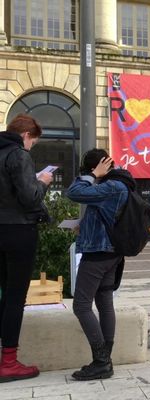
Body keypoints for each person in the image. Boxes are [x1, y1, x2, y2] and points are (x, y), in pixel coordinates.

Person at [66, 149, 132, 380]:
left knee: (81, 306)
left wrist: (93, 174)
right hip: (110, 252)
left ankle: (102, 360)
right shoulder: (118, 184)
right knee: (104, 302)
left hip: (99, 253)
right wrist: (83, 224)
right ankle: (105, 359)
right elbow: (102, 212)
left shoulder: (112, 186)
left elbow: (74, 192)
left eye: (88, 169)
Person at [0, 114, 52, 382]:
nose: (32, 147)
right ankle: (8, 361)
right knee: (14, 297)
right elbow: (30, 198)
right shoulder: (18, 155)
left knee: (3, 292)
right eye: (33, 141)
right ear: (25, 135)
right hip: (19, 231)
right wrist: (42, 181)